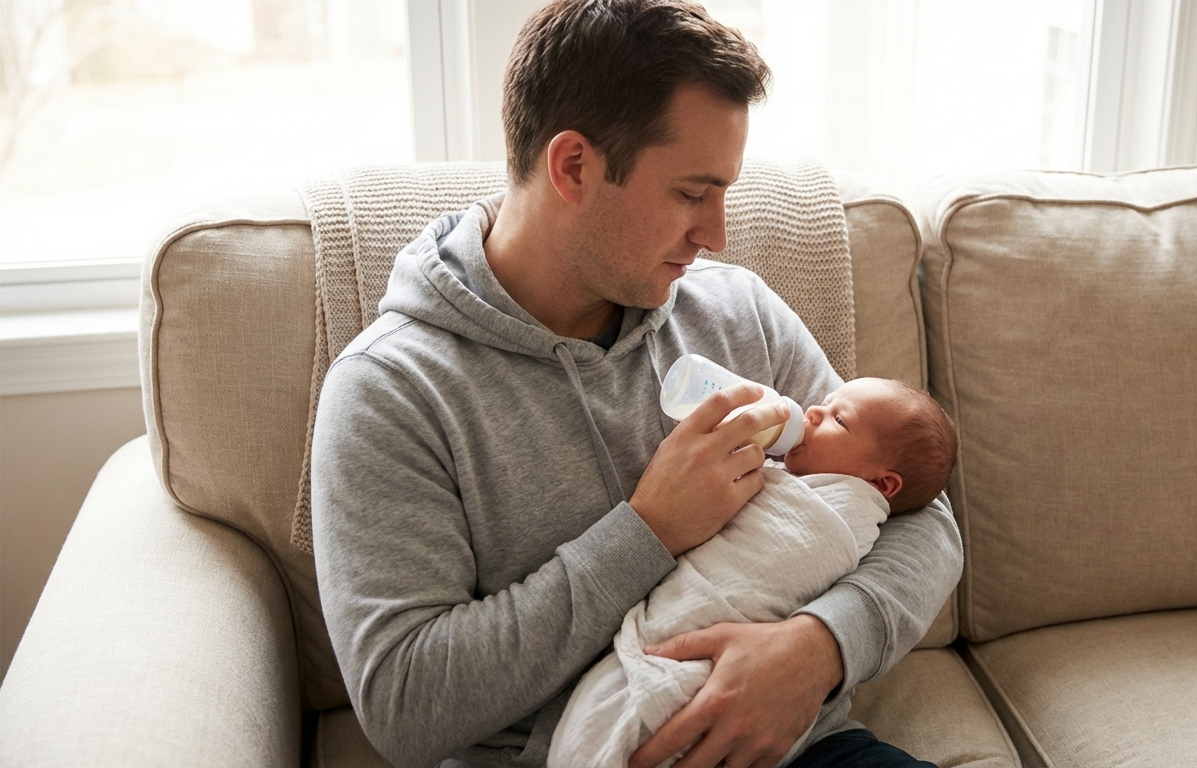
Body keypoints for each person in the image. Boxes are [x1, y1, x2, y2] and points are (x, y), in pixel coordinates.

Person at [309, 1, 963, 766]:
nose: (715, 233)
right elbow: (406, 703)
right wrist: (646, 531)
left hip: (798, 749)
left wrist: (819, 648)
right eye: (691, 193)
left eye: (723, 192)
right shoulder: (390, 392)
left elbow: (919, 517)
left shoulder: (736, 309)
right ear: (574, 166)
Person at [549, 378, 958, 768]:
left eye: (838, 418)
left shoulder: (846, 503)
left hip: (808, 735)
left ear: (880, 484)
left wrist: (819, 647)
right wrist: (652, 528)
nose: (813, 409)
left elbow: (928, 513)